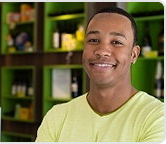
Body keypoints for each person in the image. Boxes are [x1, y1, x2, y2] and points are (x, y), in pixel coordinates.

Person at [35, 7, 164, 142]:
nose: (102, 51)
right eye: (93, 40)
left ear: (134, 54)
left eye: (116, 42)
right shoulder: (57, 117)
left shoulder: (157, 118)